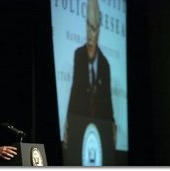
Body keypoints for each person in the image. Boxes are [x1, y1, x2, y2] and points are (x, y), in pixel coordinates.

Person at [63, 0, 116, 164]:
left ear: (99, 29)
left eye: (93, 28)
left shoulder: (106, 64)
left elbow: (107, 99)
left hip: (100, 127)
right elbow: (75, 89)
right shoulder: (78, 55)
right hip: (80, 124)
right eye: (87, 25)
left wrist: (112, 125)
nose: (89, 33)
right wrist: (68, 121)